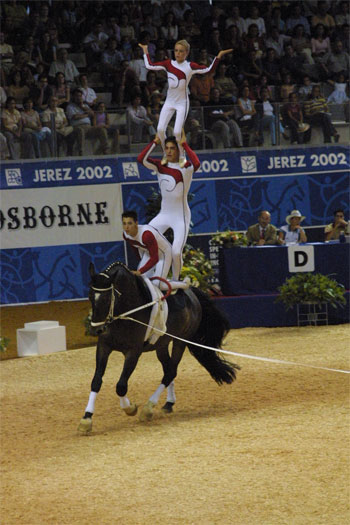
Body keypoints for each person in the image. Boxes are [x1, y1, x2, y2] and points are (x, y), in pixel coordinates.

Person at [139, 39, 232, 166]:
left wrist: (218, 56)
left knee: (177, 132)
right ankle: (166, 154)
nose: (178, 53)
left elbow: (209, 70)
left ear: (187, 53)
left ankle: (182, 156)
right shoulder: (168, 63)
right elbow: (150, 66)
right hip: (170, 101)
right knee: (160, 129)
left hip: (182, 102)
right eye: (176, 50)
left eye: (181, 51)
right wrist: (145, 51)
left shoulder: (190, 66)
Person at [137, 131, 200, 281]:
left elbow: (197, 163)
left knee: (176, 252)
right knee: (144, 242)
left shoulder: (186, 168)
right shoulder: (160, 166)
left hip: (181, 217)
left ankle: (176, 282)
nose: (169, 151)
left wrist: (184, 143)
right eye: (167, 148)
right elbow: (141, 159)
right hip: (164, 214)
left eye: (172, 148)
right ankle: (151, 274)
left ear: (179, 150)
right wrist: (155, 142)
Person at [122, 210, 172, 287]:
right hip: (150, 254)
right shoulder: (126, 235)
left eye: (130, 223)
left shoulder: (146, 235)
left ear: (136, 223)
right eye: (124, 223)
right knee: (142, 281)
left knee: (158, 284)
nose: (126, 227)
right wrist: (142, 263)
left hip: (164, 254)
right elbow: (135, 248)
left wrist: (140, 271)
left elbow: (155, 258)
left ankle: (184, 285)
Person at [66, 88, 109, 155]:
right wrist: (86, 115)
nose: (79, 98)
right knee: (81, 131)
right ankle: (81, 152)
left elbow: (92, 114)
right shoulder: (70, 107)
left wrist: (81, 106)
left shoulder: (85, 106)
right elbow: (75, 117)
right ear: (73, 97)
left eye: (80, 96)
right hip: (76, 127)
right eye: (77, 96)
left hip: (88, 127)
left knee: (102, 130)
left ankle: (105, 150)